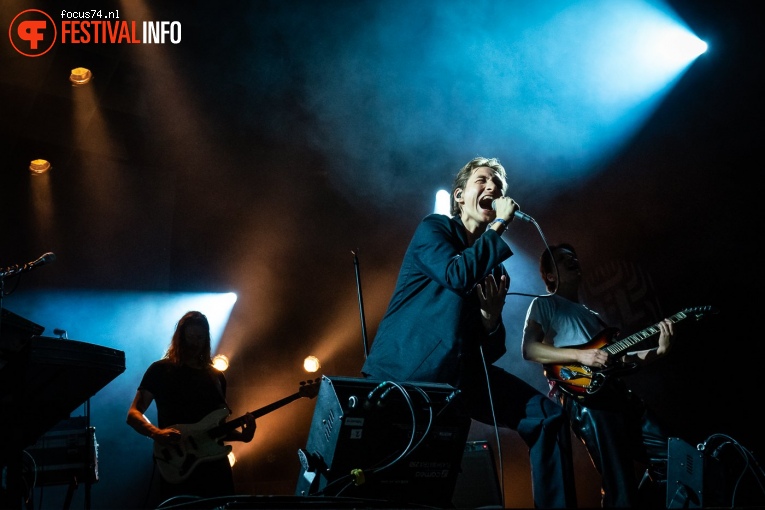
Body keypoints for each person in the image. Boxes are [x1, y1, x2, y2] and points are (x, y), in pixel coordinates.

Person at [361, 156, 577, 509]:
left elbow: (490, 350)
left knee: (548, 416)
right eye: (484, 180)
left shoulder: (492, 266)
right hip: (407, 372)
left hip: (459, 375)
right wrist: (501, 225)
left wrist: (491, 320)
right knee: (392, 485)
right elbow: (457, 274)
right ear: (459, 196)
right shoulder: (435, 229)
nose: (494, 188)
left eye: (499, 185)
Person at [522, 243, 674, 508]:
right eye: (563, 258)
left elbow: (621, 360)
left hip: (618, 394)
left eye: (574, 256)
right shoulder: (544, 305)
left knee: (673, 460)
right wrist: (582, 356)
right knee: (619, 481)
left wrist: (658, 351)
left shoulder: (593, 316)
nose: (573, 259)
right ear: (549, 275)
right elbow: (530, 349)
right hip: (586, 399)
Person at [126, 310, 256, 505]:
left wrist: (243, 436)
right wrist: (156, 433)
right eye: (190, 337)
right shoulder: (160, 370)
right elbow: (133, 413)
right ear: (180, 338)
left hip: (215, 468)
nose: (195, 343)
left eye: (200, 338)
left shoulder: (216, 377)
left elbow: (216, 430)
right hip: (179, 464)